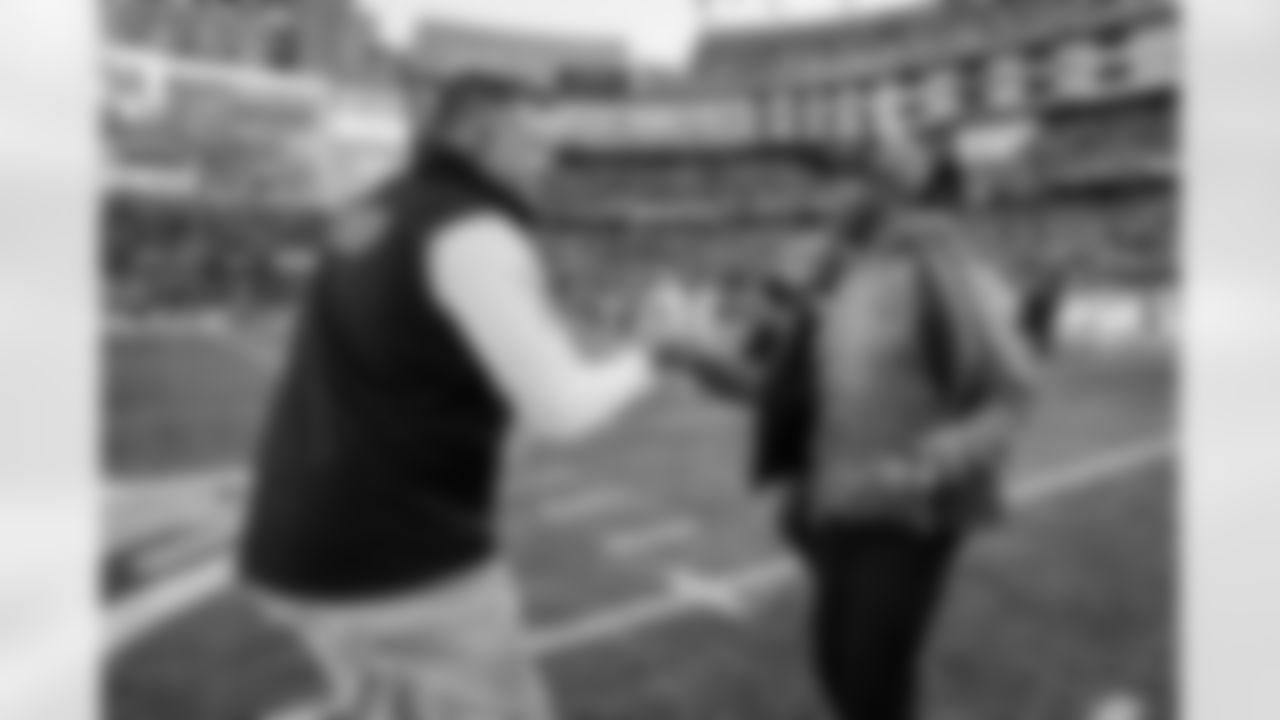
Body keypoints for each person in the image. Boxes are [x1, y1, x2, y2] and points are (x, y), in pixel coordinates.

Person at [236, 74, 709, 720]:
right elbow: (562, 410)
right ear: (477, 137)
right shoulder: (473, 231)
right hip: (399, 562)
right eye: (534, 142)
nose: (549, 163)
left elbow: (403, 361)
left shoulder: (370, 208)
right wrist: (659, 351)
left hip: (291, 547)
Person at [669, 138, 1042, 720]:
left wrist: (942, 456)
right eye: (823, 182)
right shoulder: (831, 279)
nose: (825, 198)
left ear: (885, 190)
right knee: (838, 671)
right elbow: (776, 391)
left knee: (870, 686)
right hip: (833, 510)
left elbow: (1013, 390)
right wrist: (696, 358)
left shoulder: (940, 267)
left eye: (841, 181)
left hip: (909, 517)